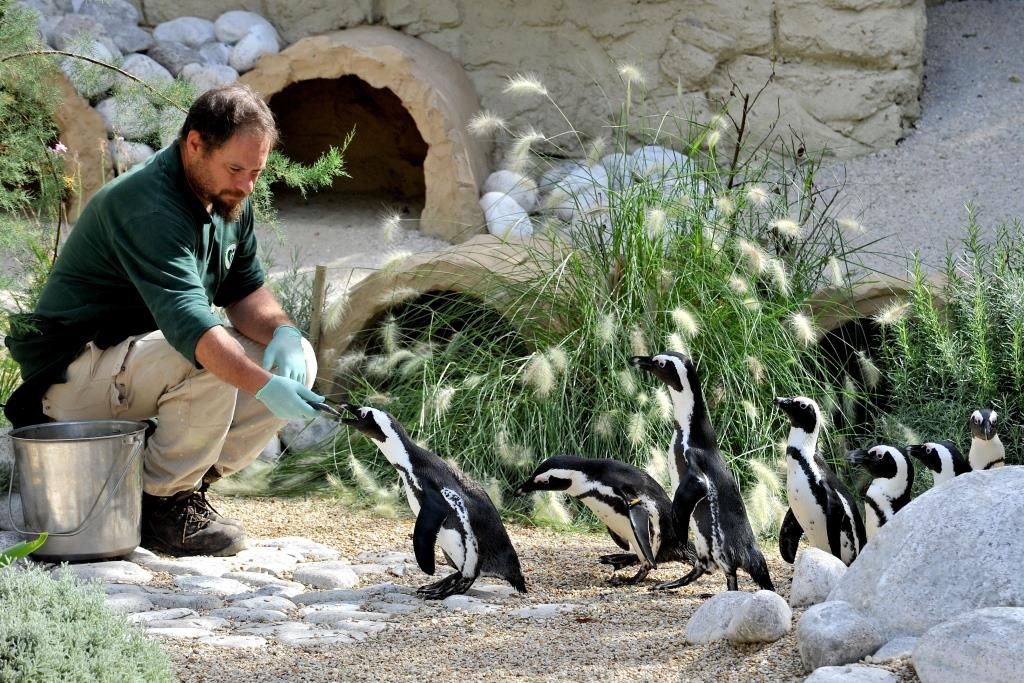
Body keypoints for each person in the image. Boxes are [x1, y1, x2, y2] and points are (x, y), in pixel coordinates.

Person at [3, 84, 324, 557]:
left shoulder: (229, 195)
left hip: (134, 364)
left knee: (297, 361)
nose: (247, 185)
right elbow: (192, 327)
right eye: (236, 169)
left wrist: (286, 333)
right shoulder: (150, 204)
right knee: (212, 361)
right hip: (72, 378)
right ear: (195, 144)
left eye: (257, 171)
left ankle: (183, 487)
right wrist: (260, 385)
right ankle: (161, 505)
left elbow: (245, 290)